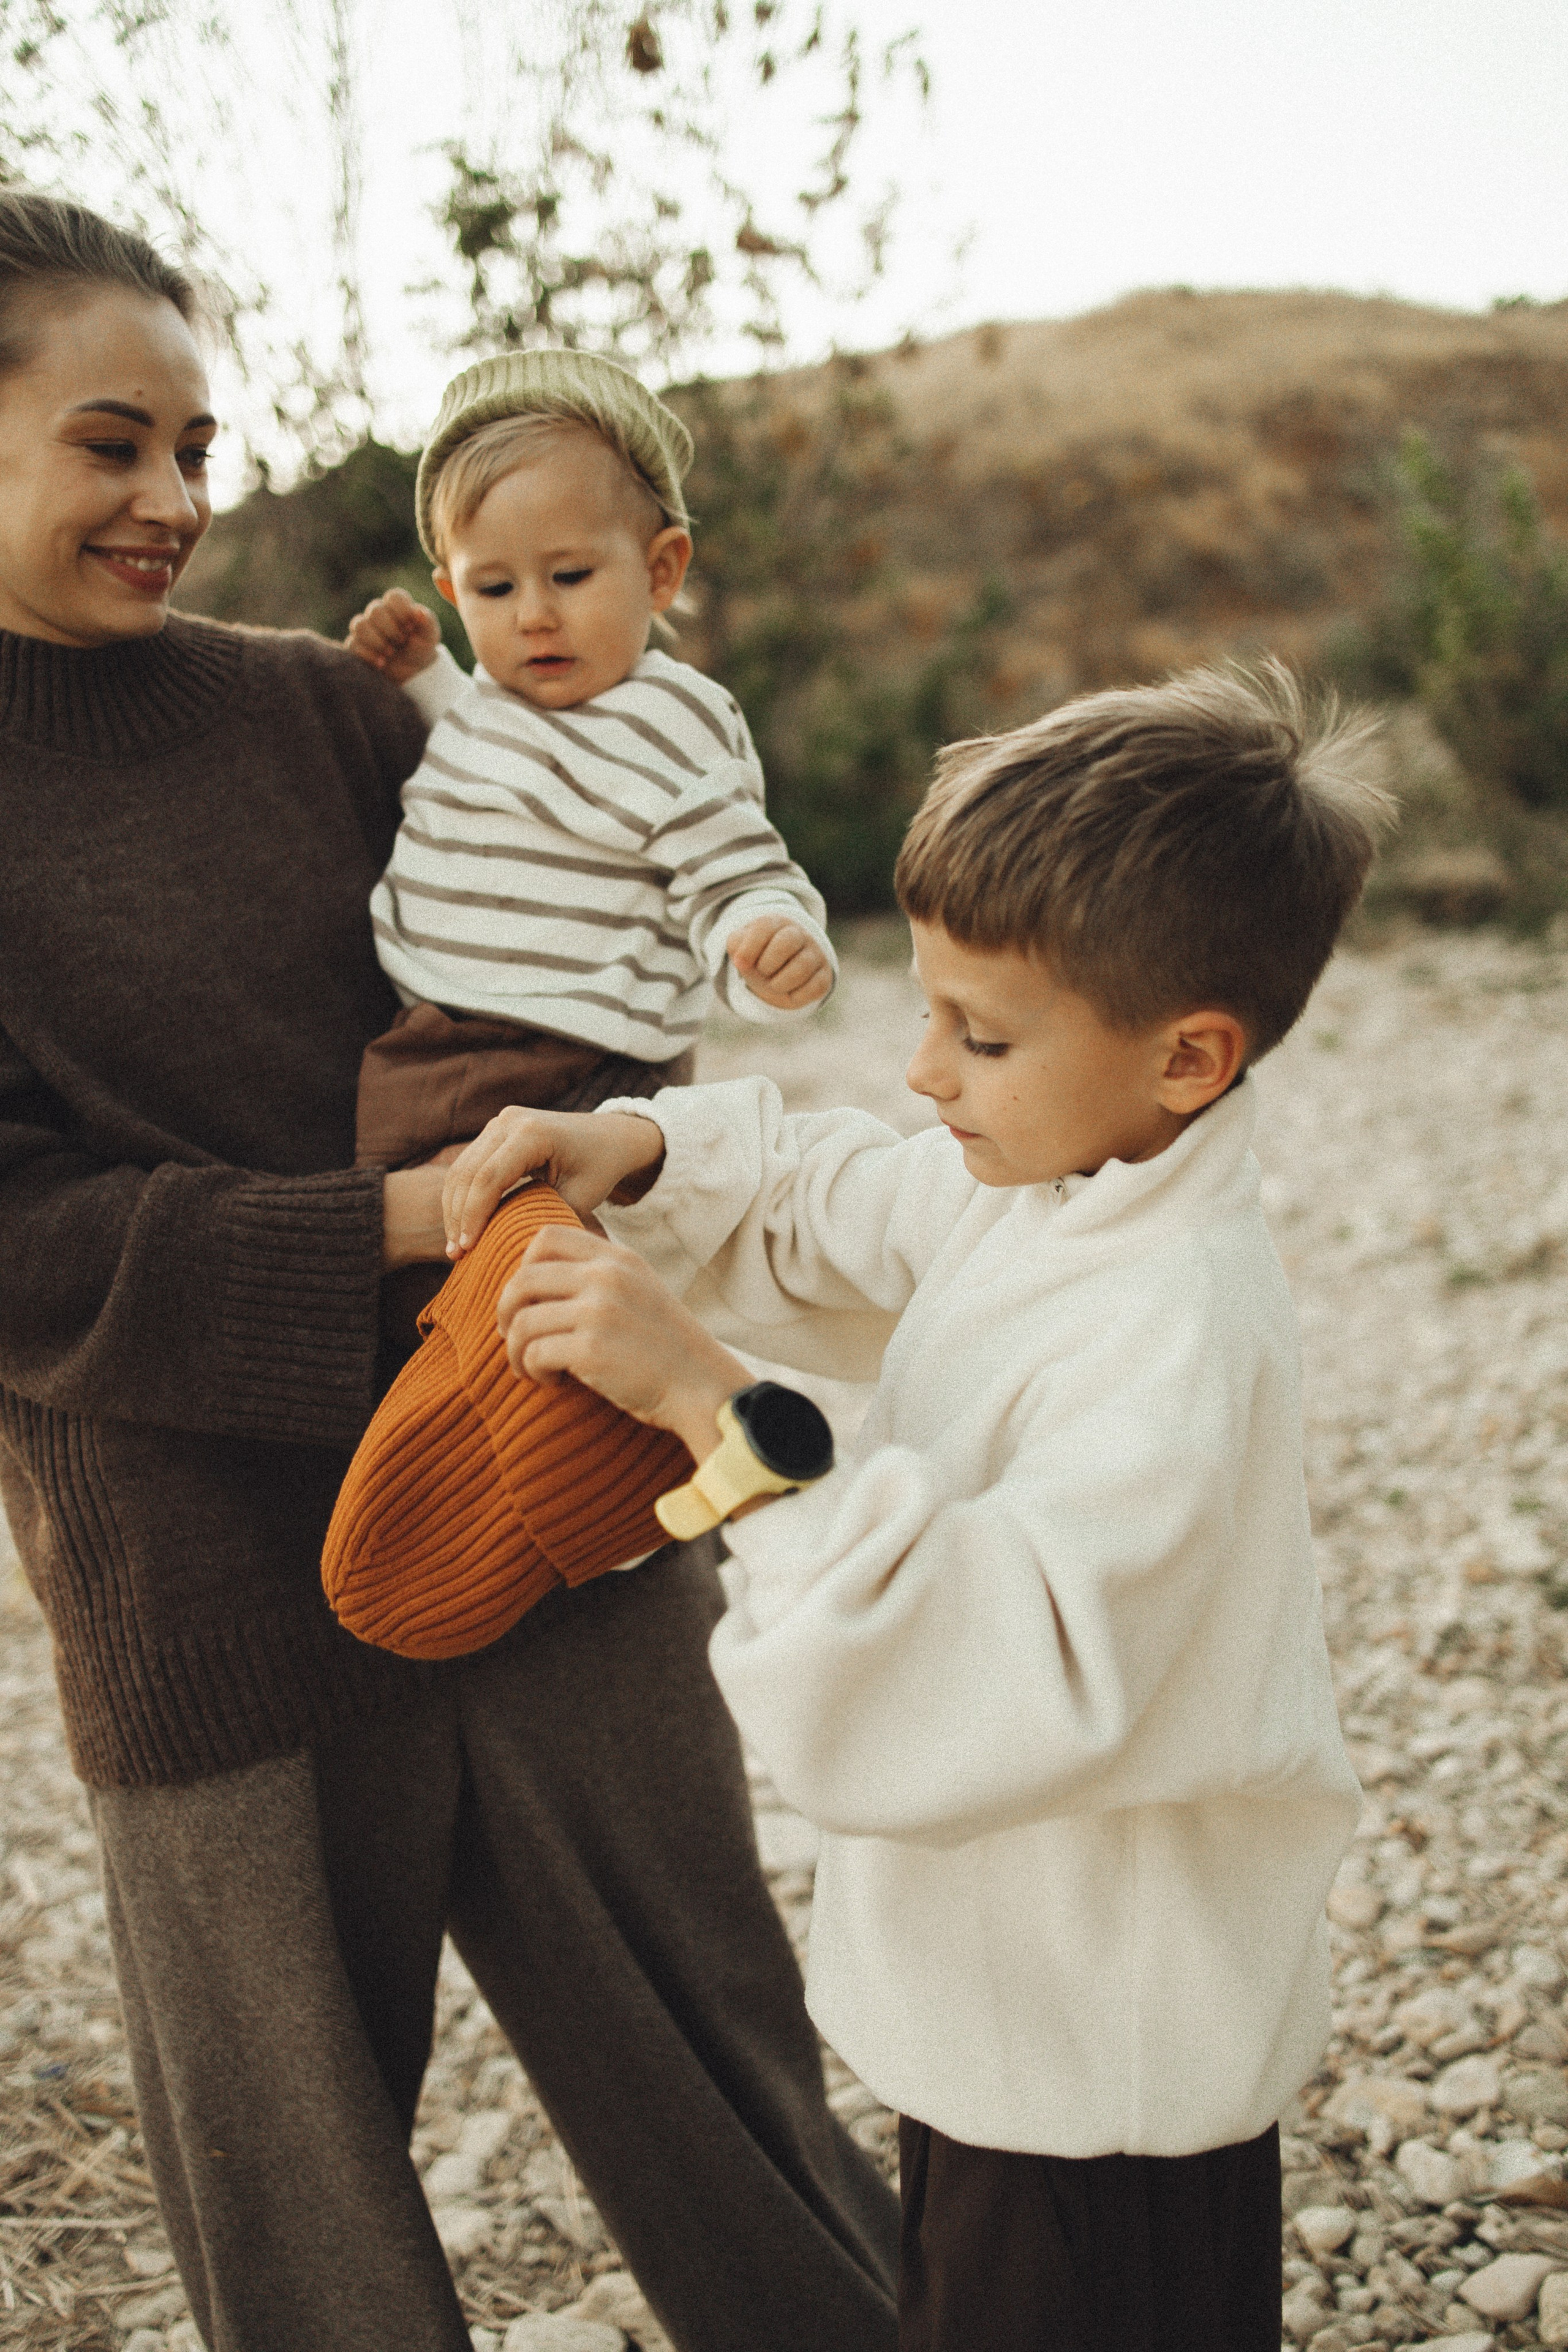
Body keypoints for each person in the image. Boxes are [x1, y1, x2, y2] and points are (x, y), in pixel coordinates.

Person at [0, 189, 900, 2352]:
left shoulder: (326, 712)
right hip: (204, 1568)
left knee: (734, 2087)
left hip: (546, 1450)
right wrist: (395, 1223)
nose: (173, 499)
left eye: (201, 450)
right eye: (113, 444)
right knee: (300, 2200)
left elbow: (580, 962)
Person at [435, 663, 1389, 2352]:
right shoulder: (1067, 1180)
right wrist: (641, 1155)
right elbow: (856, 1197)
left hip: (1107, 2063)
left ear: (1188, 1057)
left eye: (983, 1033)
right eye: (933, 1011)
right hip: (1011, 2011)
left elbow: (1003, 1656)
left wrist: (711, 1404)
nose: (927, 1071)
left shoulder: (1168, 1328)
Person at [344, 348, 835, 1186]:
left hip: (580, 1060)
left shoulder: (668, 722)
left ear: (660, 570)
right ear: (454, 593)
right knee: (408, 1243)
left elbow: (733, 871)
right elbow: (482, 749)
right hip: (425, 1034)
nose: (535, 616)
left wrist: (768, 937)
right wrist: (423, 674)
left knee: (540, 1250)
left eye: (570, 576)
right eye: (494, 590)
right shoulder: (490, 702)